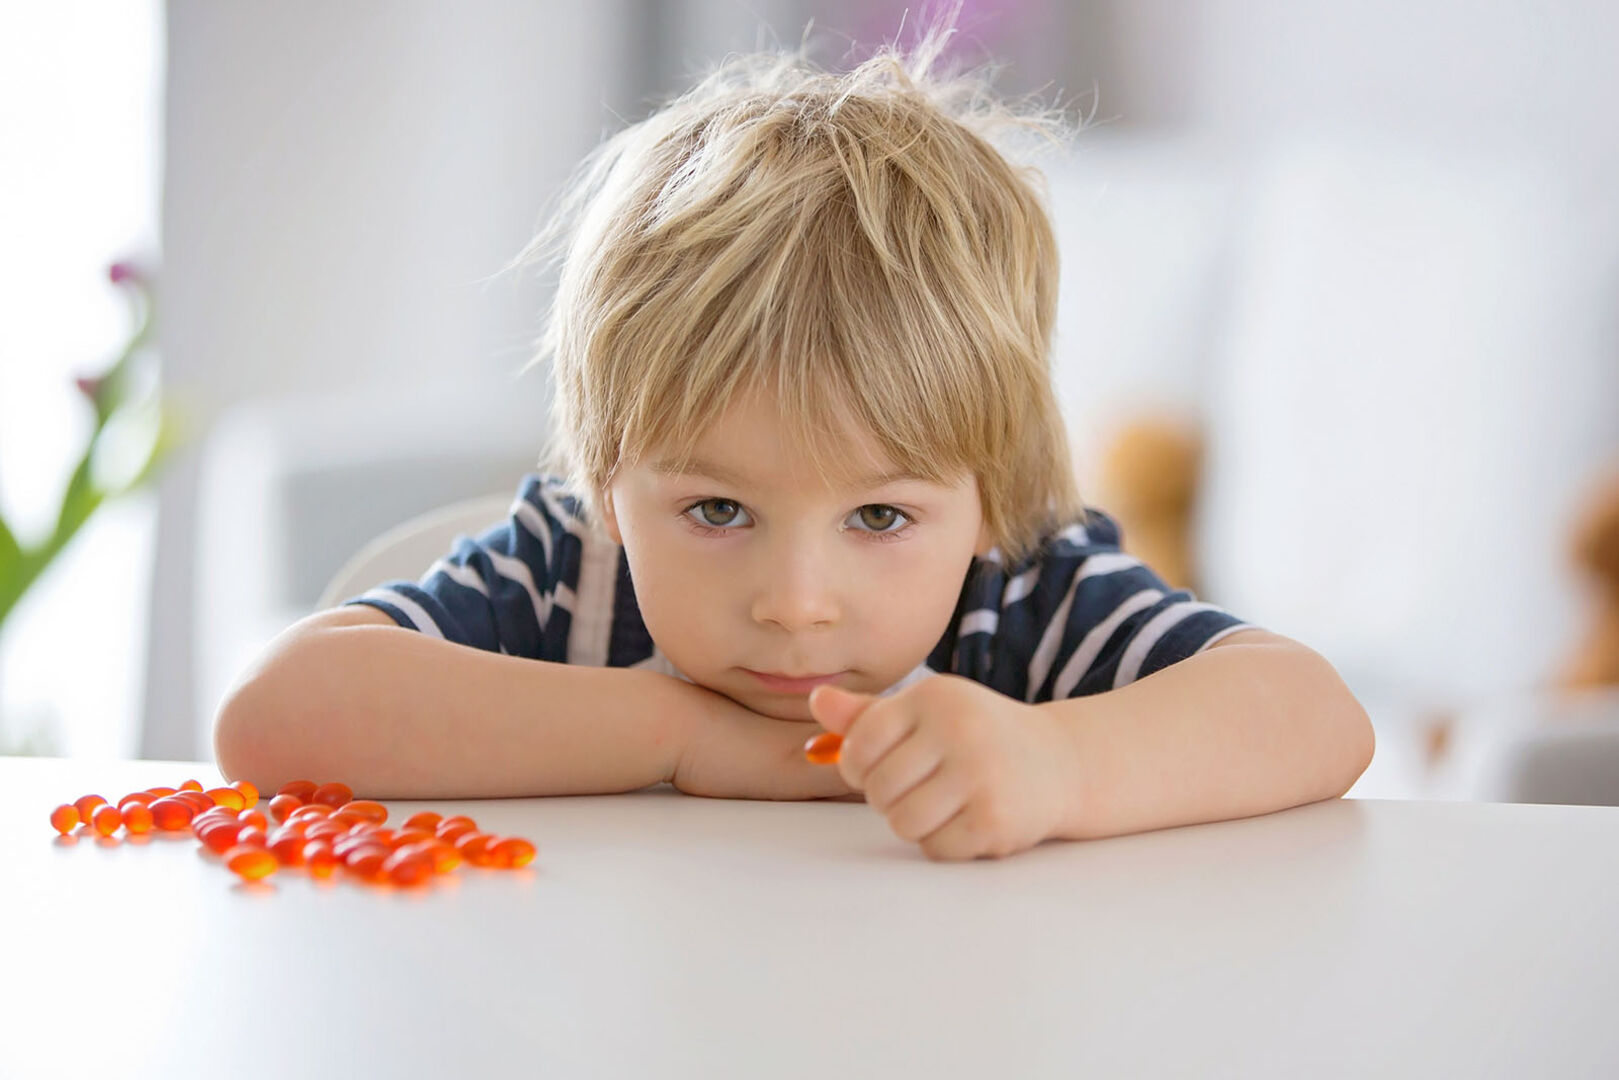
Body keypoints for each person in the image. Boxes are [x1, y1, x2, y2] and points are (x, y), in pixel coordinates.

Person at [213, 20, 1374, 861]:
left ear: (985, 498)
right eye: (717, 510)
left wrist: (1058, 765)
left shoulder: (1018, 597)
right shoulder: (573, 575)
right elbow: (274, 714)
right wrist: (676, 737)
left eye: (878, 517)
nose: (795, 604)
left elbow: (1316, 716)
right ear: (610, 486)